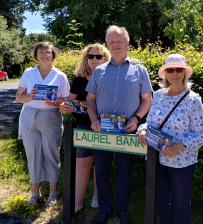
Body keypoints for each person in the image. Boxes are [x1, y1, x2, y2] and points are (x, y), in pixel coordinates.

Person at [59, 43, 142, 213]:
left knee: (101, 165)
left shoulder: (110, 73)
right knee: (82, 162)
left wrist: (133, 63)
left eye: (99, 56)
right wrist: (64, 106)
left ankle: (98, 198)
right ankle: (77, 202)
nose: (95, 59)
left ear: (106, 58)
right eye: (91, 56)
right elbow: (69, 101)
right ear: (86, 59)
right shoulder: (80, 77)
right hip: (85, 125)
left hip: (108, 126)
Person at [86, 25, 153, 224]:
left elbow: (147, 99)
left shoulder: (139, 69)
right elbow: (90, 99)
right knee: (102, 172)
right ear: (108, 45)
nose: (116, 45)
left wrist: (136, 119)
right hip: (102, 131)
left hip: (127, 131)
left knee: (125, 173)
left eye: (119, 41)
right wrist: (94, 120)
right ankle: (105, 210)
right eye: (112, 42)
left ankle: (123, 211)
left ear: (127, 43)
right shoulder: (98, 71)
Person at [138, 54, 203, 224]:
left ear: (185, 73)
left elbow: (201, 133)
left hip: (182, 162)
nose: (175, 73)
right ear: (165, 73)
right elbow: (150, 122)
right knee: (160, 200)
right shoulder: (159, 95)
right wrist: (143, 130)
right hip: (157, 158)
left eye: (179, 69)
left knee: (180, 203)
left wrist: (180, 145)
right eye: (171, 69)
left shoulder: (193, 100)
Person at [15, 41, 70, 207]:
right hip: (29, 116)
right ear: (35, 55)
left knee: (51, 155)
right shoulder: (29, 73)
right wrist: (30, 96)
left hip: (51, 117)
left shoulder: (60, 76)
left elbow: (66, 100)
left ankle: (53, 192)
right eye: (41, 52)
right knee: (33, 155)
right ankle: (35, 192)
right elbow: (18, 97)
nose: (44, 55)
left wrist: (53, 101)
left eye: (47, 52)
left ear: (52, 54)